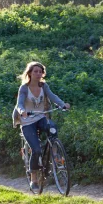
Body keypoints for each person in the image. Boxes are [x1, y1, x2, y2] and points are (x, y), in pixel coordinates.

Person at [13, 61, 70, 191]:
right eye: (35, 71)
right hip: (27, 122)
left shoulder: (44, 86)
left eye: (40, 71)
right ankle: (34, 178)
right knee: (36, 150)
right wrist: (22, 111)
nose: (38, 74)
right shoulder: (24, 88)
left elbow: (52, 96)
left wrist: (62, 104)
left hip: (40, 117)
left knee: (52, 127)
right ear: (30, 73)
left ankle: (55, 155)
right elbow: (19, 103)